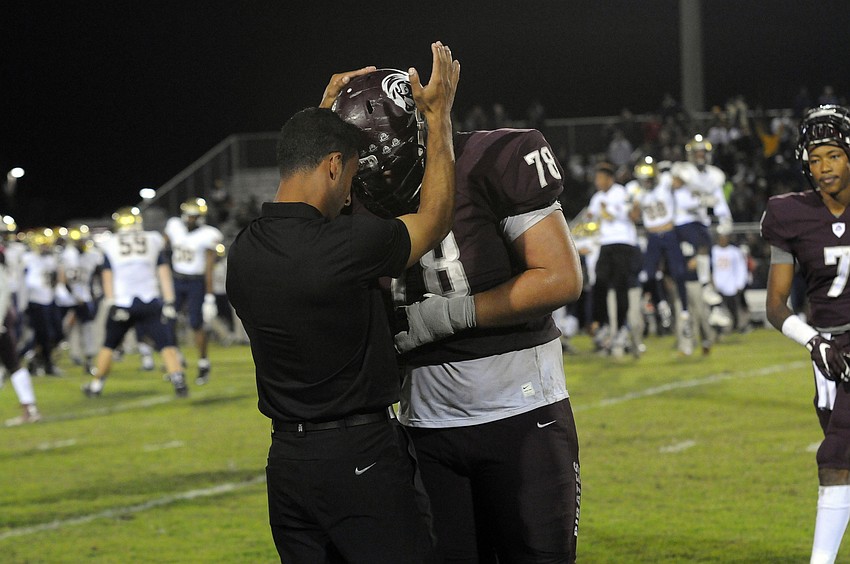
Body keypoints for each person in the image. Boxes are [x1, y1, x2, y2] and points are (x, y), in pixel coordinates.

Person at [329, 67, 583, 561]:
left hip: (522, 410)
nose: (377, 179)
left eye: (386, 161)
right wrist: (321, 122)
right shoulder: (347, 196)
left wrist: (444, 318)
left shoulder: (493, 157)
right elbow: (293, 234)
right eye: (365, 165)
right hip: (421, 424)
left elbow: (559, 277)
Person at [226, 42, 459, 563]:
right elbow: (436, 217)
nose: (353, 192)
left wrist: (324, 114)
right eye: (351, 175)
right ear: (334, 166)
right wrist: (438, 119)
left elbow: (299, 184)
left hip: (286, 462)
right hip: (360, 457)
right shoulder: (347, 248)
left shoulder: (244, 251)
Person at [762, 104, 850, 564]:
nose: (823, 168)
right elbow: (776, 305)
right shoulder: (790, 214)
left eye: (833, 155)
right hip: (828, 349)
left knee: (835, 456)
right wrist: (812, 340)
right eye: (815, 159)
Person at [82, 206, 187, 397]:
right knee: (166, 343)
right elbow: (163, 273)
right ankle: (179, 382)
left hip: (123, 302)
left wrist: (111, 302)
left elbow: (107, 276)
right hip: (150, 301)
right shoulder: (152, 240)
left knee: (109, 345)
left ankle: (96, 385)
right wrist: (170, 301)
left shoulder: (110, 243)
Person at [630, 156, 694, 354]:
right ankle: (661, 304)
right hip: (652, 237)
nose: (647, 182)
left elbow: (682, 181)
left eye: (650, 178)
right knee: (648, 275)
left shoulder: (665, 182)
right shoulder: (639, 191)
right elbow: (634, 217)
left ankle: (683, 311)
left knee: (678, 273)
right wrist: (634, 204)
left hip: (669, 233)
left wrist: (673, 170)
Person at [163, 197, 223, 385]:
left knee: (196, 323)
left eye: (194, 217)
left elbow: (209, 268)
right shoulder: (174, 226)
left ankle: (203, 363)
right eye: (189, 216)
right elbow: (162, 246)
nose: (190, 220)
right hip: (176, 280)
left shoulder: (208, 234)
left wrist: (210, 296)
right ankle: (176, 360)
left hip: (196, 282)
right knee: (167, 320)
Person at [588, 161, 640, 358]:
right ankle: (603, 325)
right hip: (605, 243)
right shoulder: (597, 198)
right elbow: (591, 219)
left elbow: (633, 215)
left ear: (609, 178)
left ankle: (621, 328)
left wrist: (610, 213)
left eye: (600, 178)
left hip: (623, 242)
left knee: (620, 286)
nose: (597, 182)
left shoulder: (622, 192)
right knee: (599, 282)